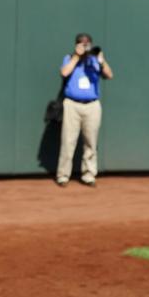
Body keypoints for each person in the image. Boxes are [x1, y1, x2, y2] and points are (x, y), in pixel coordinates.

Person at [56, 33, 113, 188]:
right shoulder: (70, 58)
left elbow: (109, 75)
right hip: (72, 105)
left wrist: (102, 61)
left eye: (87, 44)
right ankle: (63, 176)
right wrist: (76, 56)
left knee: (91, 142)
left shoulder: (95, 60)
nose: (85, 46)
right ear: (76, 44)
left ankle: (89, 175)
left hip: (92, 105)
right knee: (68, 141)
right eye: (82, 43)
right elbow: (64, 72)